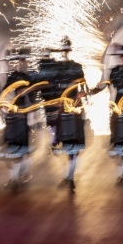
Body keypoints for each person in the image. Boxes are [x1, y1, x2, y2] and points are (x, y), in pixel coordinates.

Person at [37, 37, 87, 190]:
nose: (65, 52)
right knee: (60, 147)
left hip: (74, 109)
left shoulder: (77, 67)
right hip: (59, 109)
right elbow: (48, 86)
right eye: (62, 49)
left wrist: (81, 94)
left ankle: (70, 177)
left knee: (73, 147)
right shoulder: (54, 67)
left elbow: (84, 87)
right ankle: (68, 175)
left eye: (66, 49)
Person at [92, 44, 123, 187]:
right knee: (118, 144)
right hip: (117, 108)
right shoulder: (114, 72)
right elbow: (103, 86)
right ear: (121, 57)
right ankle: (122, 175)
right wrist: (90, 91)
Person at [0, 48, 34, 192]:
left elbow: (28, 96)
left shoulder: (28, 78)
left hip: (22, 119)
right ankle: (15, 178)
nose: (22, 63)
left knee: (19, 150)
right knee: (13, 150)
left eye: (24, 60)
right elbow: (4, 95)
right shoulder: (12, 77)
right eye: (20, 60)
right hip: (12, 119)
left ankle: (18, 176)